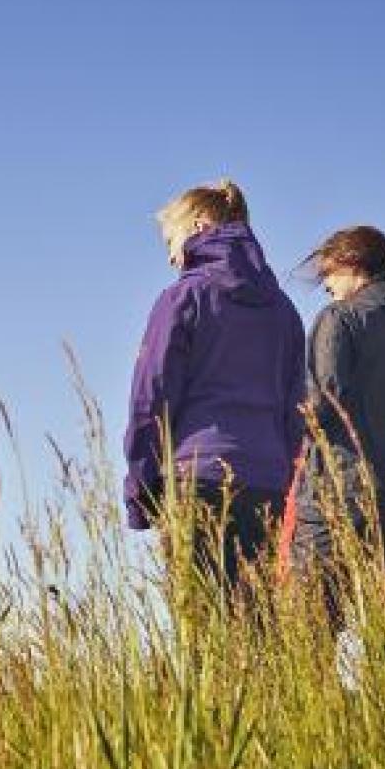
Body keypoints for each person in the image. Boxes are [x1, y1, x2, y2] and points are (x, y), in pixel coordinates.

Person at [124, 179, 305, 596]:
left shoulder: (182, 298)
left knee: (201, 619)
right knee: (256, 619)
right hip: (267, 483)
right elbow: (297, 409)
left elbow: (151, 400)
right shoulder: (284, 311)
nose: (171, 256)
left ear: (200, 226)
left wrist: (140, 489)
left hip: (197, 477)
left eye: (171, 240)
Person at [286, 225, 385, 620]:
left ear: (353, 265)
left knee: (313, 625)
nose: (326, 285)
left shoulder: (340, 317)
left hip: (337, 492)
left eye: (329, 273)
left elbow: (323, 403)